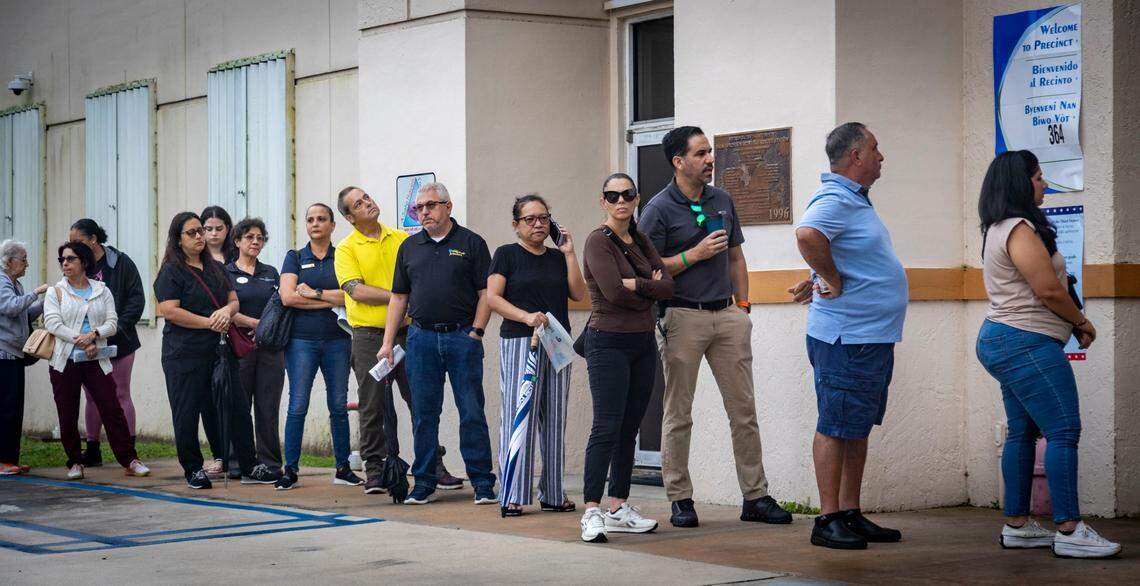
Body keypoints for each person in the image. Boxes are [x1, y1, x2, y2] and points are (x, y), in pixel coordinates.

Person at [638, 126, 792, 528]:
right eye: (702, 153)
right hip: (682, 315)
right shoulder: (657, 208)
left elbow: (737, 258)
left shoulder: (722, 198)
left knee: (743, 410)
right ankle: (680, 498)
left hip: (727, 316)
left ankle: (755, 496)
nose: (711, 159)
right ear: (679, 161)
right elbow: (647, 267)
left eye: (710, 152)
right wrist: (693, 255)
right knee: (679, 412)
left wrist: (743, 307)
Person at [975, 150, 1120, 559]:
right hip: (1024, 341)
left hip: (1006, 339)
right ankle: (1070, 529)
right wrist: (1080, 323)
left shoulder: (998, 227)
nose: (1044, 184)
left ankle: (1018, 525)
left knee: (1023, 431)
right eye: (1039, 178)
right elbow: (1049, 290)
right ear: (1022, 184)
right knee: (1063, 430)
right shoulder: (1018, 229)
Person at [793, 122, 906, 550]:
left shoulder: (854, 201)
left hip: (869, 336)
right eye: (875, 149)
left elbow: (837, 247)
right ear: (856, 156)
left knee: (856, 427)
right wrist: (828, 276)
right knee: (835, 425)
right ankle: (827, 520)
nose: (881, 156)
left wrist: (821, 274)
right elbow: (807, 234)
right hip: (847, 338)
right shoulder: (835, 196)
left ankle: (850, 512)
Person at [335, 186, 464, 495]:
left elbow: (419, 280)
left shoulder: (403, 239)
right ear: (350, 217)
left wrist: (404, 299)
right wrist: (399, 296)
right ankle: (376, 470)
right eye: (359, 203)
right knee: (372, 404)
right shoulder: (346, 248)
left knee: (421, 401)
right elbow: (356, 290)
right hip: (367, 336)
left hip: (408, 334)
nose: (368, 202)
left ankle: (433, 466)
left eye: (367, 196)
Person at [377, 181, 497, 506]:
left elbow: (486, 293)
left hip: (462, 338)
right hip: (421, 339)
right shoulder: (409, 247)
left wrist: (478, 331)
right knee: (424, 414)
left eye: (430, 206)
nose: (424, 213)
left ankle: (483, 483)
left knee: (471, 410)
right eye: (419, 208)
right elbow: (398, 296)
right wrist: (388, 343)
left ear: (448, 207)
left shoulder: (472, 244)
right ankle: (425, 483)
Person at [578, 173, 674, 543]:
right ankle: (591, 510)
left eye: (627, 194)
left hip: (641, 341)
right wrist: (644, 287)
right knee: (606, 425)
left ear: (637, 198)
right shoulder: (597, 242)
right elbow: (614, 294)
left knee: (629, 427)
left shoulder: (642, 239)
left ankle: (618, 506)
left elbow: (668, 285)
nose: (621, 200)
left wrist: (639, 285)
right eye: (612, 195)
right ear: (602, 201)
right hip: (608, 342)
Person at [154, 212, 276, 489]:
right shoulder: (171, 271)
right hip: (183, 353)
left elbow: (233, 302)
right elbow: (169, 311)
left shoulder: (217, 268)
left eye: (201, 231)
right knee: (186, 412)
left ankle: (250, 464)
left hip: (220, 352)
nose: (200, 237)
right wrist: (209, 322)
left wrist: (225, 311)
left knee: (238, 407)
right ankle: (193, 469)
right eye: (192, 233)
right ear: (178, 239)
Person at [487, 194, 587, 516]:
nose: (537, 224)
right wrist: (526, 316)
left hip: (556, 343)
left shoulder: (558, 258)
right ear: (516, 225)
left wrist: (569, 252)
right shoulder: (506, 255)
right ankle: (513, 493)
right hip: (520, 341)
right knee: (520, 416)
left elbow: (578, 293)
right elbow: (492, 298)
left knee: (555, 419)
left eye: (543, 218)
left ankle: (554, 493)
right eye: (529, 219)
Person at [43, 241, 149, 480]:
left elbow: (113, 322)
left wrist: (95, 335)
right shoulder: (55, 292)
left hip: (96, 358)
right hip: (65, 361)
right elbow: (52, 323)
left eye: (71, 259)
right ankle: (75, 462)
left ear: (84, 262)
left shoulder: (102, 289)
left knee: (111, 408)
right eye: (62, 260)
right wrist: (81, 340)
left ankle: (129, 459)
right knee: (67, 411)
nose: (66, 264)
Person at [276, 204, 363, 490]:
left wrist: (312, 293)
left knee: (338, 405)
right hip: (301, 341)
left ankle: (342, 468)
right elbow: (288, 297)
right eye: (310, 219)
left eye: (321, 219)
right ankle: (289, 469)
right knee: (298, 404)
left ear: (332, 225)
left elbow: (350, 296)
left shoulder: (342, 256)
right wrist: (331, 299)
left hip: (337, 340)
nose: (315, 223)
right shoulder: (295, 257)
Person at [69, 219, 146, 468]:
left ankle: (129, 449)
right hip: (88, 344)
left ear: (94, 239)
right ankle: (93, 448)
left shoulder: (121, 263)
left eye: (78, 241)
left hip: (120, 340)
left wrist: (116, 328)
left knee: (121, 392)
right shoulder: (78, 266)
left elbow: (136, 300)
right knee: (92, 396)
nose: (73, 248)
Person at [224, 218, 285, 479]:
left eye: (260, 237)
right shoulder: (225, 273)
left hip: (270, 349)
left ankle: (270, 463)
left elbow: (281, 305)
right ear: (237, 241)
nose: (255, 242)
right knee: (238, 406)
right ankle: (238, 463)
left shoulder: (271, 272)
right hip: (239, 348)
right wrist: (254, 323)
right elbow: (224, 309)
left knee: (267, 407)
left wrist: (266, 328)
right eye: (249, 237)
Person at [0, 239, 47, 475]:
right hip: (4, 355)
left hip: (14, 354)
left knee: (15, 407)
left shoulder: (14, 284)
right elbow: (10, 307)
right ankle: (4, 461)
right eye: (24, 259)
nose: (27, 264)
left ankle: (11, 459)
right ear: (9, 262)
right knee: (7, 407)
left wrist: (43, 303)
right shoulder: (1, 283)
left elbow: (23, 313)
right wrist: (35, 292)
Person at [199, 205, 237, 476]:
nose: (213, 234)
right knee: (208, 399)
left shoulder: (236, 257)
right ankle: (218, 454)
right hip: (204, 336)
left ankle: (239, 453)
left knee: (235, 398)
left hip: (236, 334)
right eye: (207, 228)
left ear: (228, 229)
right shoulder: (193, 260)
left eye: (218, 228)